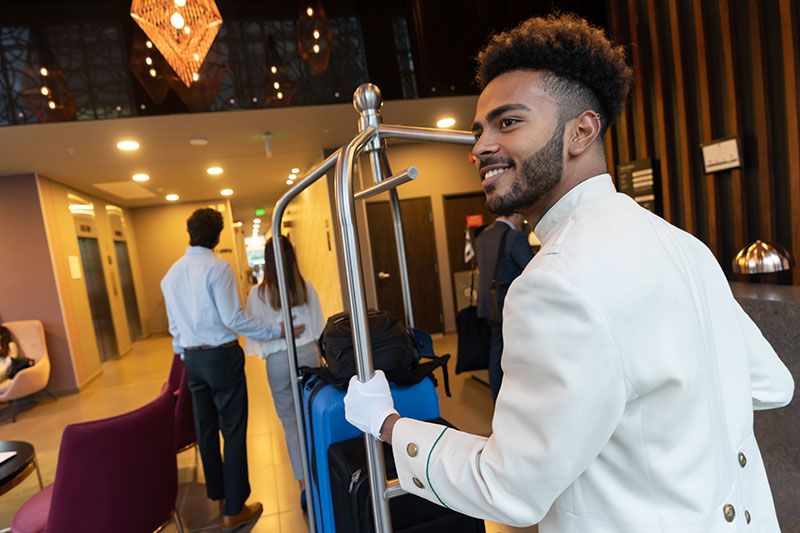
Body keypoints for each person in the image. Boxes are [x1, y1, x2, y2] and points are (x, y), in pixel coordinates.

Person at [344, 14, 794, 531]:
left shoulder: (554, 281)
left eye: (507, 122)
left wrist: (389, 424)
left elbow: (508, 487)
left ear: (581, 131)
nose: (480, 147)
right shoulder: (684, 246)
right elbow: (769, 383)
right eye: (479, 130)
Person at [161, 208, 304, 531]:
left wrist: (186, 357)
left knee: (206, 430)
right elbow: (233, 319)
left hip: (192, 362)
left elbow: (174, 328)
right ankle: (235, 508)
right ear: (217, 236)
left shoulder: (170, 275)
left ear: (190, 233)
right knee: (234, 429)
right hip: (221, 358)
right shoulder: (218, 268)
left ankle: (220, 496)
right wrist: (275, 331)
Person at [245, 235, 324, 511]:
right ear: (292, 257)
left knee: (291, 425)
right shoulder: (306, 288)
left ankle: (304, 487)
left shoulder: (257, 294)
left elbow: (255, 335)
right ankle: (321, 479)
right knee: (313, 419)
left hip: (278, 362)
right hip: (308, 357)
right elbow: (318, 328)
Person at [474, 213, 533, 400]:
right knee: (518, 351)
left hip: (488, 303)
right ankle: (517, 399)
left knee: (496, 349)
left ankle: (498, 400)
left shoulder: (482, 236)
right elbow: (532, 268)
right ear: (516, 214)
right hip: (509, 303)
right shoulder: (515, 237)